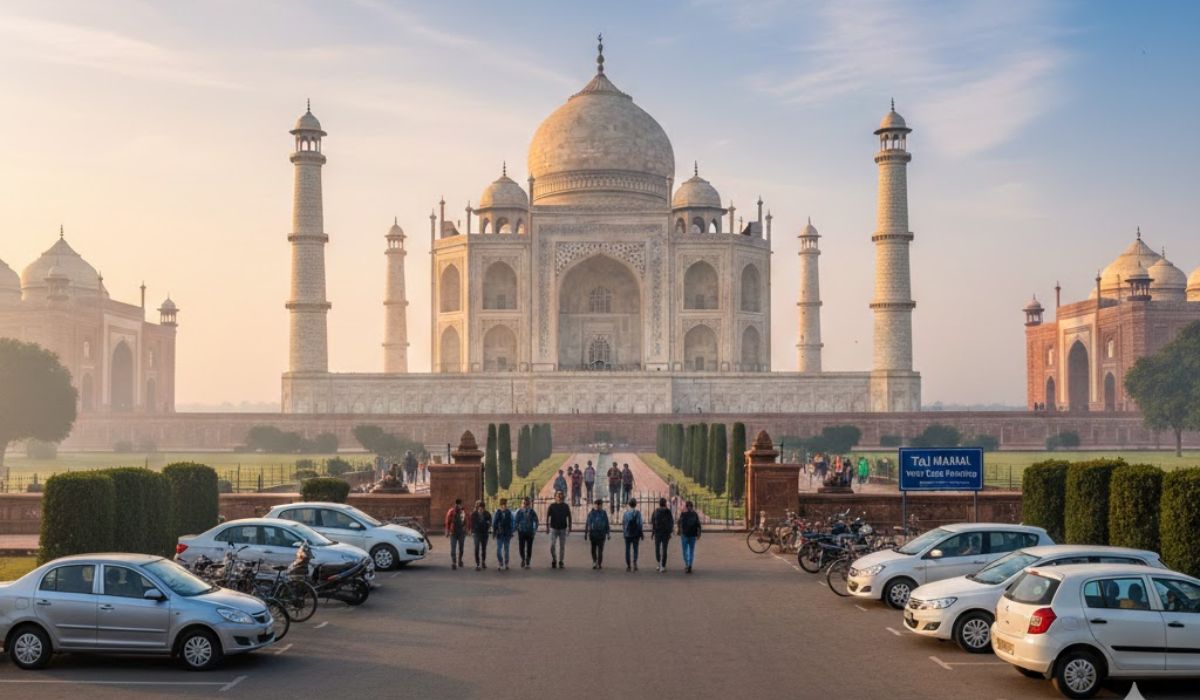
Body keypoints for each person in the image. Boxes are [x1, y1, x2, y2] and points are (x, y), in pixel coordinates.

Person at [546, 490, 572, 568]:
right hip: (553, 528)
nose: (560, 496)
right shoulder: (552, 506)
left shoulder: (565, 506)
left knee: (562, 546)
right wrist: (547, 527)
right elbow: (548, 517)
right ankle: (554, 559)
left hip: (563, 528)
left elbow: (569, 517)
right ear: (555, 496)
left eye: (561, 494)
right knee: (552, 545)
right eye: (558, 494)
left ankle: (561, 561)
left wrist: (570, 527)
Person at [650, 497, 674, 573]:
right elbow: (671, 522)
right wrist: (670, 532)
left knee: (657, 548)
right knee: (664, 549)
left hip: (657, 532)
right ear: (665, 503)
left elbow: (653, 522)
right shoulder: (668, 511)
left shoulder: (656, 511)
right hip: (666, 533)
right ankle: (663, 566)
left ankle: (658, 563)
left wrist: (653, 532)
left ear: (659, 503)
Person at [585, 499, 611, 569]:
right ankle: (594, 561)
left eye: (599, 505)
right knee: (593, 549)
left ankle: (599, 563)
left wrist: (608, 533)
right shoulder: (591, 513)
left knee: (600, 550)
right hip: (593, 534)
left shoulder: (603, 513)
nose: (598, 506)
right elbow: (588, 523)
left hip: (601, 534)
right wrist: (586, 533)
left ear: (601, 505)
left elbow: (606, 523)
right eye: (596, 505)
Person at [514, 496, 539, 568]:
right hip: (521, 532)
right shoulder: (519, 512)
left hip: (530, 532)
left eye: (527, 503)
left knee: (529, 547)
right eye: (523, 503)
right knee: (521, 547)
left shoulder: (532, 512)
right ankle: (523, 559)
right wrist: (516, 528)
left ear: (529, 504)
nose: (525, 505)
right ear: (521, 504)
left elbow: (536, 521)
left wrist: (535, 530)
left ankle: (528, 560)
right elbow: (516, 521)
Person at [443, 498, 468, 570]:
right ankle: (454, 562)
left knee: (461, 548)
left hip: (461, 533)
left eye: (459, 504)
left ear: (461, 504)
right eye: (457, 504)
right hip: (453, 532)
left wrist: (466, 529)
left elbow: (466, 520)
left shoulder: (463, 511)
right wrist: (447, 531)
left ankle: (460, 560)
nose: (458, 506)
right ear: (455, 504)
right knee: (453, 548)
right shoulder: (451, 511)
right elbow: (447, 521)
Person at [678, 500, 702, 574]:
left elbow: (679, 523)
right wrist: (699, 534)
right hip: (693, 534)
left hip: (684, 534)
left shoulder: (683, 514)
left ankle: (687, 564)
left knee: (685, 551)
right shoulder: (695, 514)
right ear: (692, 507)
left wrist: (679, 531)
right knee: (691, 551)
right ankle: (690, 565)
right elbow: (698, 524)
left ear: (686, 506)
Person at [621, 498, 644, 572]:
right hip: (635, 534)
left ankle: (628, 565)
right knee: (635, 549)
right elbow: (640, 524)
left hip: (627, 533)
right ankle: (635, 563)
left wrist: (624, 532)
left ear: (629, 504)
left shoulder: (626, 513)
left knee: (627, 550)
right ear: (636, 504)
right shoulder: (638, 513)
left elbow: (623, 524)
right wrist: (641, 533)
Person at [492, 498, 515, 571]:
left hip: (507, 533)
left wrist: (512, 532)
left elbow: (512, 523)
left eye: (505, 505)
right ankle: (500, 562)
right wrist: (494, 532)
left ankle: (506, 563)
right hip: (500, 533)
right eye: (502, 505)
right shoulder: (498, 513)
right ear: (500, 505)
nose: (504, 506)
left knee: (506, 550)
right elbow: (494, 523)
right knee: (498, 550)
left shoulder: (509, 513)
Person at [470, 500, 491, 571]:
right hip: (476, 533)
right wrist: (472, 530)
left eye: (482, 508)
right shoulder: (473, 514)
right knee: (476, 548)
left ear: (484, 508)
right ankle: (477, 564)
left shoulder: (487, 514)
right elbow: (471, 523)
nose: (481, 509)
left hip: (484, 534)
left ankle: (483, 562)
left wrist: (487, 525)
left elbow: (490, 523)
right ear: (477, 507)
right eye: (479, 508)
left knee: (483, 549)